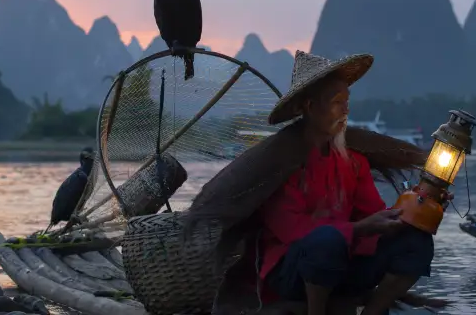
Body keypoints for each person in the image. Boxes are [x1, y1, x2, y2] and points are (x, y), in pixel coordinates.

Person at [183, 50, 447, 315]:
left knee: (416, 241)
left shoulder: (353, 160)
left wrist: (419, 206)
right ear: (310, 107)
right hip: (292, 270)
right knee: (326, 239)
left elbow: (373, 214)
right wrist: (357, 230)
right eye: (336, 101)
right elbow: (294, 230)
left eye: (347, 101)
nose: (346, 109)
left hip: (343, 263)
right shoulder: (281, 162)